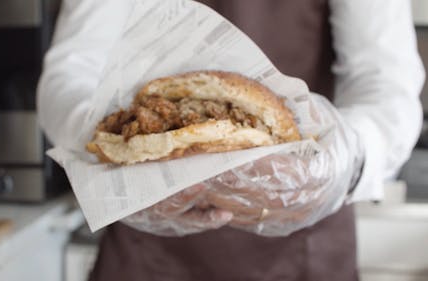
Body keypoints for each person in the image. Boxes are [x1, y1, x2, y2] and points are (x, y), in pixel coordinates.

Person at [37, 0, 426, 280]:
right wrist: (106, 148)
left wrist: (342, 163)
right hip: (149, 254)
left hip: (305, 243)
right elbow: (72, 71)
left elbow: (386, 83)